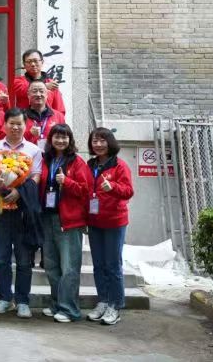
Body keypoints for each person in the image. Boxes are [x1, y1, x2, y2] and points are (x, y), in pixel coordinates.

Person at [0, 108, 43, 319]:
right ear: (4, 125)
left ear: (25, 125)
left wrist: (19, 192)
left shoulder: (33, 150)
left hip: (23, 210)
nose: (16, 127)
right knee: (1, 258)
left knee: (23, 259)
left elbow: (35, 176)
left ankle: (22, 301)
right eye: (12, 123)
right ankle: (4, 298)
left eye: (19, 123)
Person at [38, 123, 90, 323]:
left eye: (64, 137)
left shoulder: (77, 162)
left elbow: (86, 190)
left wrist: (67, 182)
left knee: (69, 267)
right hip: (47, 217)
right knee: (51, 266)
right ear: (50, 139)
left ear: (70, 140)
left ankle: (69, 309)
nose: (60, 140)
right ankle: (56, 304)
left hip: (68, 220)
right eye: (57, 137)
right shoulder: (46, 159)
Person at [86, 127, 134, 326]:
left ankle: (115, 305)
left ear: (110, 142)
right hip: (94, 221)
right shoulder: (90, 164)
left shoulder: (120, 165)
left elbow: (129, 191)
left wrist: (112, 187)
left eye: (102, 141)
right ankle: (103, 301)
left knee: (113, 265)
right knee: (98, 265)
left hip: (114, 222)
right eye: (94, 141)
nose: (98, 145)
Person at [11, 49, 65, 117]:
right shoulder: (18, 81)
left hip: (48, 121)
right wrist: (44, 86)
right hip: (25, 120)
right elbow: (22, 91)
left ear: (42, 62)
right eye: (29, 61)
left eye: (35, 61)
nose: (33, 64)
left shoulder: (51, 84)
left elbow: (59, 109)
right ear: (24, 64)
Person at [23, 80, 66, 152]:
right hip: (27, 156)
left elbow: (65, 138)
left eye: (41, 91)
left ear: (47, 94)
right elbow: (13, 139)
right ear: (28, 94)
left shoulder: (58, 116)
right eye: (34, 91)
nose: (38, 94)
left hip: (52, 156)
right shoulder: (21, 116)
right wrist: (29, 134)